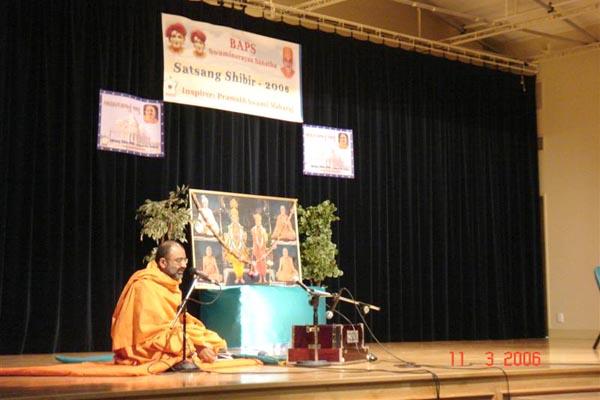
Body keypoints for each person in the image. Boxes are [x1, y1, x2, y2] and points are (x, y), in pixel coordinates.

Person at [111, 241, 226, 368]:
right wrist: (195, 346)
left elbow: (176, 320)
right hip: (145, 342)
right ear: (163, 263)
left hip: (168, 333)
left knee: (211, 339)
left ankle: (187, 350)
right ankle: (185, 353)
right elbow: (149, 331)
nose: (183, 265)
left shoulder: (171, 283)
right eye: (178, 260)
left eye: (185, 260)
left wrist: (194, 337)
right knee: (182, 343)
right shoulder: (144, 285)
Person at [223, 209, 248, 284]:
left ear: (237, 219)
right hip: (232, 246)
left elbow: (243, 237)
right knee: (235, 260)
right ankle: (238, 277)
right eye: (233, 218)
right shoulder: (229, 227)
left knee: (241, 260)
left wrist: (241, 237)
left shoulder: (241, 227)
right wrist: (233, 237)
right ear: (231, 219)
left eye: (236, 218)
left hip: (240, 246)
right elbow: (228, 237)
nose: (234, 219)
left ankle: (241, 277)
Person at [251, 212, 269, 284]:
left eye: (259, 220)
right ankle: (260, 278)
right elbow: (254, 239)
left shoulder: (263, 229)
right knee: (258, 263)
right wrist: (254, 248)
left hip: (262, 249)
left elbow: (265, 239)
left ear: (260, 221)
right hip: (256, 249)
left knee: (263, 263)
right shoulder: (253, 229)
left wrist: (262, 243)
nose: (257, 222)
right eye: (256, 220)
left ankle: (264, 278)